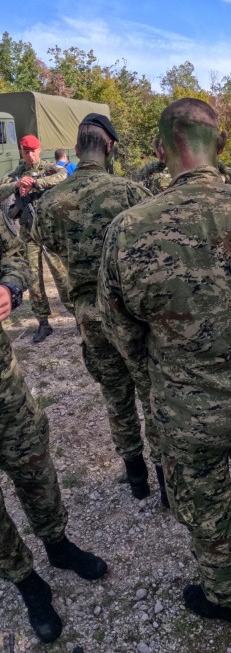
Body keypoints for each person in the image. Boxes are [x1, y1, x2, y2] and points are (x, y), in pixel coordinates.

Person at [98, 98, 231, 625]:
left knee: (207, 511)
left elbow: (122, 333)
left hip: (182, 409)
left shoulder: (128, 229)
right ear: (221, 146)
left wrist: (159, 372)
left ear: (158, 149)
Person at [32, 113, 165, 505]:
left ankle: (137, 478)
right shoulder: (130, 194)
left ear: (77, 149)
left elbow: (48, 244)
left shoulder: (52, 199)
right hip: (132, 310)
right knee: (150, 393)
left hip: (89, 312)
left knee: (116, 395)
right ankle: (167, 484)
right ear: (109, 147)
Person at [0, 211, 107, 643]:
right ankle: (27, 582)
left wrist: (9, 286)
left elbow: (14, 255)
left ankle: (58, 545)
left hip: (4, 390)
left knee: (35, 468)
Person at [0, 134, 71, 343]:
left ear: (39, 151)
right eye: (26, 151)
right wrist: (16, 185)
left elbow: (63, 176)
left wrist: (35, 183)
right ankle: (43, 323)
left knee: (61, 276)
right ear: (21, 152)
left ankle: (77, 316)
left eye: (33, 151)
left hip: (49, 232)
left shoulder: (48, 168)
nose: (30, 155)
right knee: (34, 279)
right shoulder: (17, 174)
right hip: (29, 234)